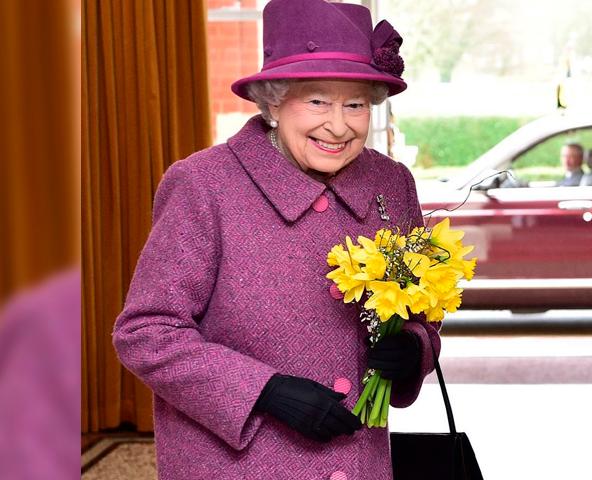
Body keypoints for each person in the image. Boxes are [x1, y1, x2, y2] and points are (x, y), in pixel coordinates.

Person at [111, 1, 440, 479]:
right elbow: (146, 333)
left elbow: (423, 316)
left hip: (360, 464)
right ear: (273, 101)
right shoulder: (204, 185)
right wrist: (263, 391)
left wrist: (414, 348)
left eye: (356, 104)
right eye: (316, 101)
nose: (339, 124)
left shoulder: (391, 183)